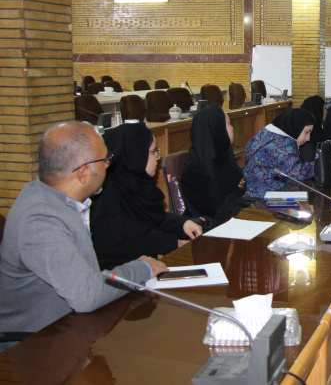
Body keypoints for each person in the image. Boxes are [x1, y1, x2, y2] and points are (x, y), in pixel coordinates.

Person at [0, 121, 166, 351]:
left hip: (72, 328)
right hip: (37, 346)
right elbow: (87, 295)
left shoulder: (58, 199)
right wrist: (142, 268)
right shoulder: (40, 219)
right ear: (84, 173)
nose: (109, 164)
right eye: (105, 159)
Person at [90, 123, 202, 265]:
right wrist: (172, 243)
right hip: (124, 270)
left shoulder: (137, 185)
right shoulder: (106, 197)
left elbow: (154, 218)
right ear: (136, 154)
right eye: (154, 151)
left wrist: (182, 223)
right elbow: (127, 242)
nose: (158, 157)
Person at [182, 104, 247, 222]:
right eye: (229, 124)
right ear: (218, 129)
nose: (232, 128)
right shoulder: (196, 170)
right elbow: (216, 210)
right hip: (212, 226)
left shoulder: (224, 156)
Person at [244, 108, 316, 197]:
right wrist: (319, 166)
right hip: (263, 197)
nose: (308, 138)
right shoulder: (283, 144)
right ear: (296, 126)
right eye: (307, 132)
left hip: (251, 191)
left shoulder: (264, 133)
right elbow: (296, 174)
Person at [300, 95, 330, 162]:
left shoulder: (319, 128)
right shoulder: (308, 136)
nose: (326, 111)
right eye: (324, 108)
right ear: (317, 110)